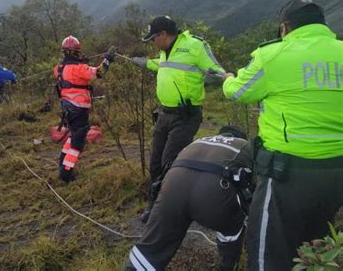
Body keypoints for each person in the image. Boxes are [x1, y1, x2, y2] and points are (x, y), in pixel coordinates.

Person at [222, 0, 343, 271]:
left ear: (284, 28)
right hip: (337, 172)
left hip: (287, 174)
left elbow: (237, 92)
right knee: (318, 241)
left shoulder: (272, 55)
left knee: (268, 249)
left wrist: (228, 78)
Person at [130, 15, 226, 222]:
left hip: (186, 116)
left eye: (153, 38)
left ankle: (169, 209)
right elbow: (158, 65)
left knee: (169, 163)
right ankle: (154, 206)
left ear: (163, 34)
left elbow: (215, 69)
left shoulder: (195, 46)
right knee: (155, 163)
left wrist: (229, 79)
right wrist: (138, 61)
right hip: (164, 114)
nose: (152, 43)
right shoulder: (164, 52)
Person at [125, 126, 254, 271]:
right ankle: (228, 266)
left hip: (174, 186)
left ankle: (135, 267)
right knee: (233, 225)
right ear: (242, 137)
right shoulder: (246, 146)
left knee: (153, 245)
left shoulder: (200, 141)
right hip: (215, 194)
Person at [54, 35, 115, 182]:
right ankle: (67, 172)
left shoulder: (58, 68)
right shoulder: (80, 68)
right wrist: (107, 59)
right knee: (78, 141)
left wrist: (82, 64)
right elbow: (99, 73)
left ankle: (63, 161)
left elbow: (73, 74)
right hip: (79, 108)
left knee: (73, 133)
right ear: (77, 51)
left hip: (66, 108)